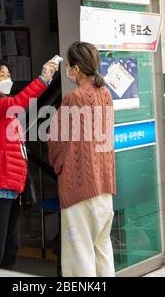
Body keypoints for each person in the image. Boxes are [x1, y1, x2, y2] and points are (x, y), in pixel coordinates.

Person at [0, 58, 59, 269]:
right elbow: (16, 103)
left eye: (8, 75)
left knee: (12, 246)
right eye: (2, 75)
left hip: (11, 186)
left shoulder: (4, 107)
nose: (8, 79)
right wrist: (42, 80)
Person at [48, 41, 116, 277]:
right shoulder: (106, 94)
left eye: (68, 65)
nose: (67, 68)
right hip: (105, 188)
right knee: (102, 252)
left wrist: (60, 167)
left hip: (79, 188)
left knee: (80, 259)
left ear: (75, 69)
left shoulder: (72, 98)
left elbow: (56, 142)